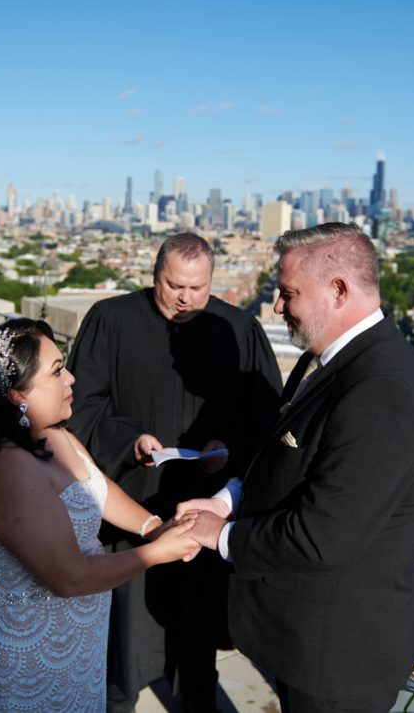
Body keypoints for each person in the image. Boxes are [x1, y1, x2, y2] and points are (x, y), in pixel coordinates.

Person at [178, 223, 414, 712]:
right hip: (305, 637)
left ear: (338, 290)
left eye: (288, 294)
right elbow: (283, 456)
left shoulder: (383, 392)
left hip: (340, 654)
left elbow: (323, 537)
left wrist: (219, 535)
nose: (278, 307)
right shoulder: (325, 356)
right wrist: (226, 499)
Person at [0, 318, 200, 713]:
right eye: (57, 371)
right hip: (14, 658)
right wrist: (158, 553)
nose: (71, 378)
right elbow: (70, 577)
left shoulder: (52, 435)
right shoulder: (4, 469)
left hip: (71, 642)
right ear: (17, 395)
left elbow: (96, 488)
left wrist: (153, 526)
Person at [67, 233, 282, 712]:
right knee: (126, 627)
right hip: (132, 504)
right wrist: (130, 441)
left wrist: (227, 446)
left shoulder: (238, 329)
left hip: (206, 507)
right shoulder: (111, 319)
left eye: (198, 288)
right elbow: (82, 406)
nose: (186, 298)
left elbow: (266, 422)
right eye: (174, 285)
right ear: (154, 275)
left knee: (198, 621)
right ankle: (117, 697)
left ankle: (196, 697)